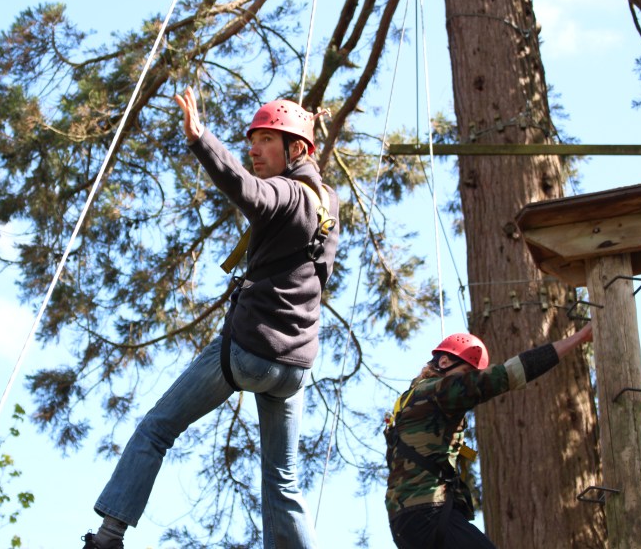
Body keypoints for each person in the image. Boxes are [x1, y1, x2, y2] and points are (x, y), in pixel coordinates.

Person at [81, 87, 340, 549]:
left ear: (296, 148)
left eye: (266, 140)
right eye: (252, 141)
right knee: (283, 480)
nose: (254, 150)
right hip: (295, 368)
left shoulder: (286, 194)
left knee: (157, 428)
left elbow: (247, 189)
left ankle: (108, 537)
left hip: (250, 352)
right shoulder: (327, 204)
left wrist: (201, 139)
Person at [384, 322, 594, 549]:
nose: (469, 380)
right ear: (444, 362)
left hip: (404, 523)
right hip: (428, 513)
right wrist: (580, 337)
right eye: (467, 373)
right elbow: (509, 373)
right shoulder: (441, 390)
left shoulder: (408, 403)